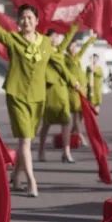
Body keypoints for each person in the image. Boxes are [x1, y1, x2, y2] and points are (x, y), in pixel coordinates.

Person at [0, 4, 70, 197]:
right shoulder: (13, 39)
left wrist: (73, 82)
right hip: (16, 95)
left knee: (27, 141)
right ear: (18, 21)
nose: (26, 21)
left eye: (30, 18)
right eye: (23, 18)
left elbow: (58, 62)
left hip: (38, 97)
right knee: (25, 139)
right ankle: (32, 181)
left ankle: (15, 177)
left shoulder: (46, 43)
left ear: (37, 21)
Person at [37, 24, 79, 163]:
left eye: (56, 36)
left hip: (61, 89)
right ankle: (41, 151)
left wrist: (75, 26)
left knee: (66, 121)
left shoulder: (58, 51)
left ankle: (66, 152)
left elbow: (66, 40)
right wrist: (73, 80)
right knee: (47, 123)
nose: (56, 38)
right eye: (54, 36)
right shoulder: (45, 51)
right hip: (49, 90)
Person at [66, 31, 97, 146]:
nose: (74, 48)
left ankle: (70, 134)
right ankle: (80, 136)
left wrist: (91, 39)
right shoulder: (65, 59)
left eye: (75, 46)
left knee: (80, 115)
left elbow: (83, 49)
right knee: (75, 115)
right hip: (73, 91)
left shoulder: (76, 57)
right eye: (71, 46)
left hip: (82, 90)